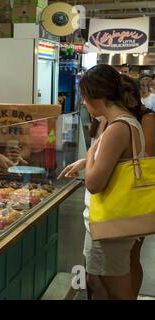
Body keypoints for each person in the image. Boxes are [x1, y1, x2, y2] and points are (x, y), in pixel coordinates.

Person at [58, 65, 146, 300]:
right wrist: (89, 158)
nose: (84, 104)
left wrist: (91, 151)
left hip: (111, 224)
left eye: (85, 98)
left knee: (116, 290)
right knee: (99, 282)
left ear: (96, 95)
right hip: (109, 222)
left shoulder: (117, 128)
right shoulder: (124, 122)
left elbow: (93, 184)